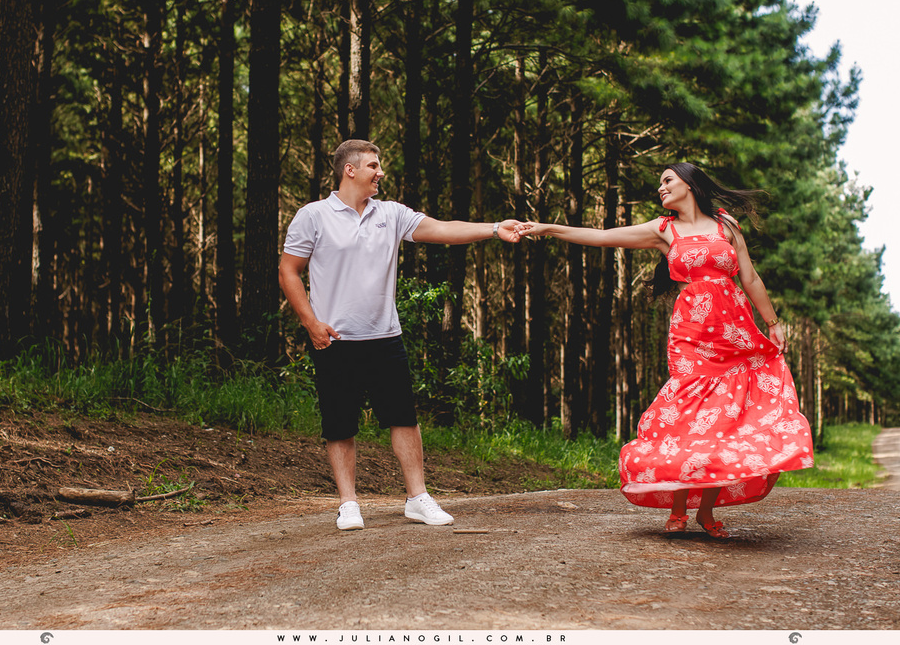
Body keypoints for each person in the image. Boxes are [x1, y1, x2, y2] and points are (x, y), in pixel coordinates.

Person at [517, 162, 813, 538]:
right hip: (691, 332)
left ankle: (706, 511)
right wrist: (549, 229)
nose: (661, 187)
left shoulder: (726, 224)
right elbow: (603, 235)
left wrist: (772, 322)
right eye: (660, 182)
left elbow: (750, 276)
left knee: (725, 419)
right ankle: (677, 507)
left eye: (667, 180)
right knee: (687, 415)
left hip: (733, 329)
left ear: (689, 184)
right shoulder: (663, 230)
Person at [279, 138, 522, 531]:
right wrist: (310, 322)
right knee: (339, 424)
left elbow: (442, 229)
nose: (381, 173)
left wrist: (494, 228)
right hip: (335, 340)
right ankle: (348, 504)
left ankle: (417, 497)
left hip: (385, 337)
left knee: (404, 419)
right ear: (350, 170)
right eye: (373, 166)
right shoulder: (313, 216)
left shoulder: (390, 214)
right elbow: (288, 270)